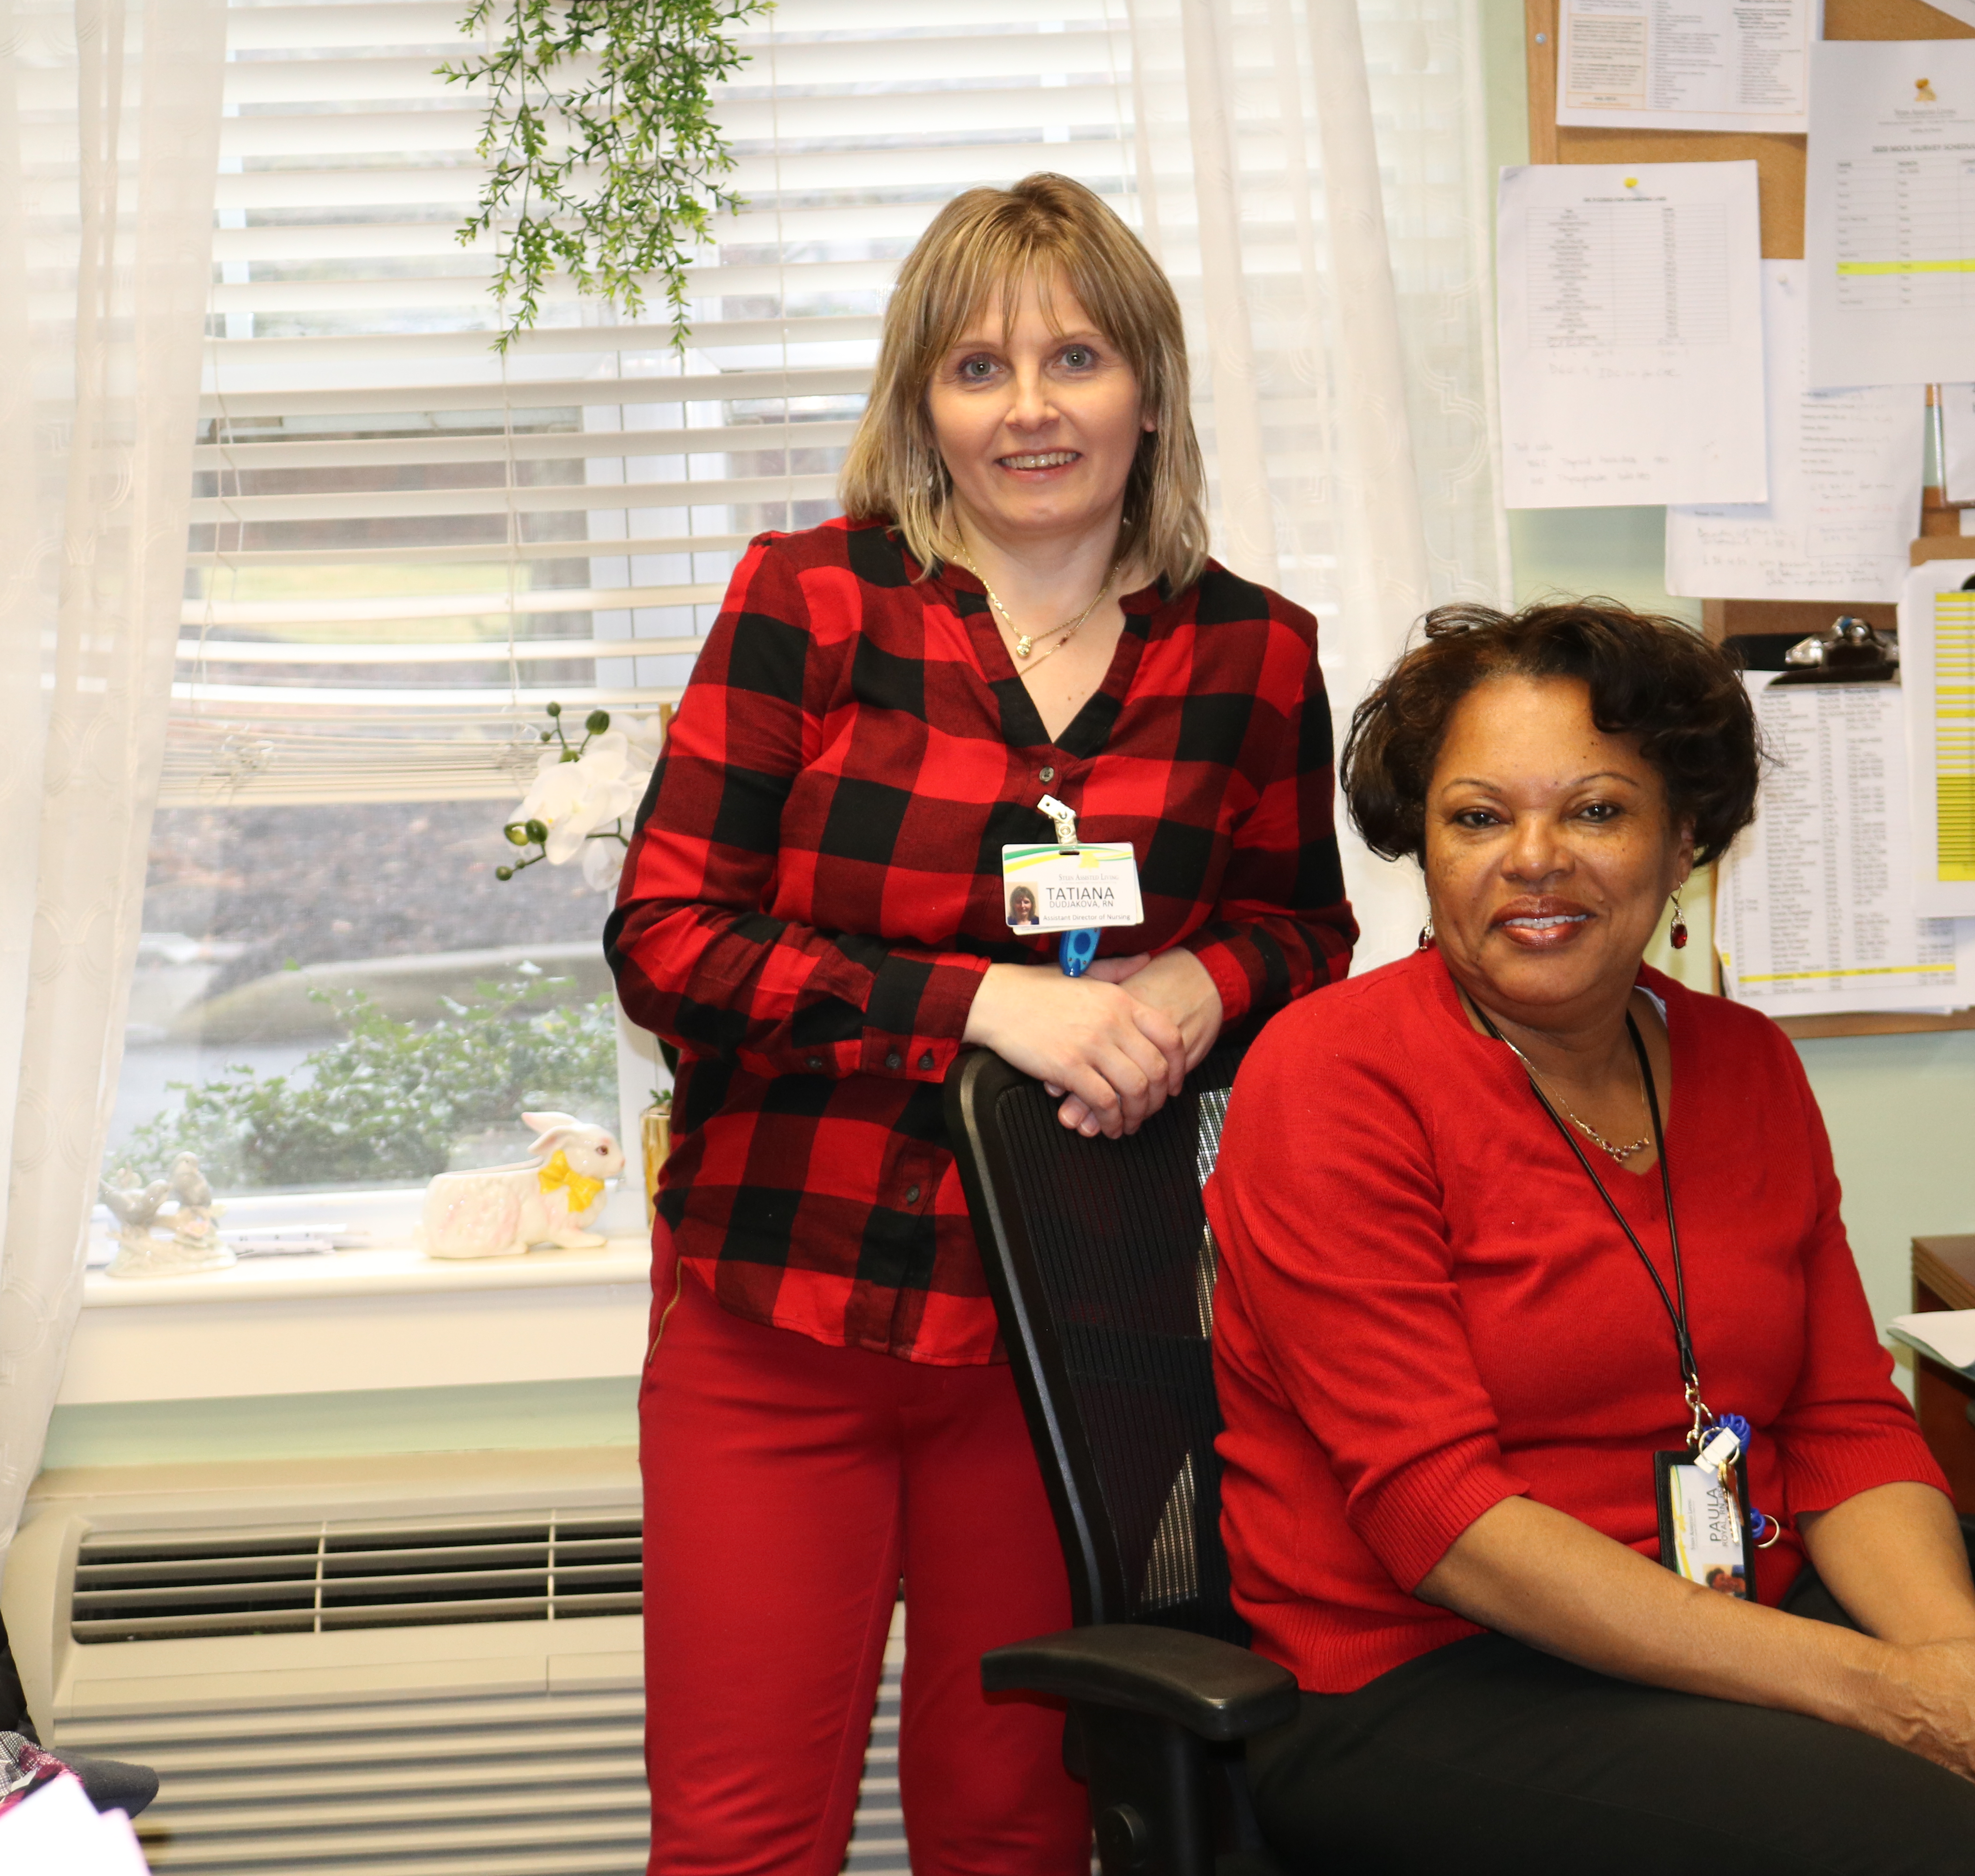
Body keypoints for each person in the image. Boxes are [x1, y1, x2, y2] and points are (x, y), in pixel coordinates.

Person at [1205, 602, 1975, 1876]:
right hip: (1433, 1680)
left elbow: (1842, 1425)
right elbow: (1444, 1518)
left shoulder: (1742, 1062)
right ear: (1422, 847)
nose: (1534, 859)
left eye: (1596, 810)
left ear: (1684, 836)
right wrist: (1891, 1697)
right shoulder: (1331, 1076)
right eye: (1478, 817)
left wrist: (1959, 1670)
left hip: (1738, 1634)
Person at [608, 174, 1357, 1876]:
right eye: (978, 368)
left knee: (1016, 1830)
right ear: (920, 405)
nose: (1030, 409)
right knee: (739, 1839)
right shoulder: (810, 605)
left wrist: (1196, 983)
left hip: (1068, 1333)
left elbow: (1303, 929)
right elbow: (666, 940)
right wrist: (984, 1004)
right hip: (781, 1311)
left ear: (1146, 391)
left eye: (1076, 358)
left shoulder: (1257, 654)